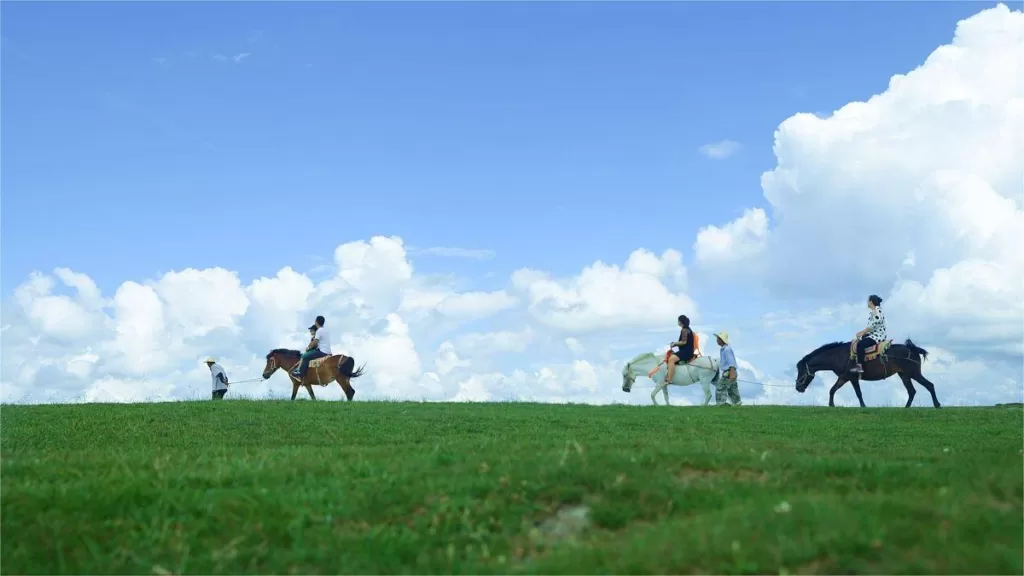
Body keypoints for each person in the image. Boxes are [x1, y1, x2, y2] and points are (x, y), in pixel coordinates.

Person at [851, 294, 887, 373]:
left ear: (871, 302)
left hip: (877, 336)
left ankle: (860, 366)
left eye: (868, 301)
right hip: (874, 334)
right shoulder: (875, 311)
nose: (867, 302)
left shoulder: (876, 310)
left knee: (860, 344)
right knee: (862, 339)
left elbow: (875, 322)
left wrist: (862, 332)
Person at [714, 331, 741, 406]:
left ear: (722, 340)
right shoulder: (723, 349)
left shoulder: (726, 350)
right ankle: (737, 402)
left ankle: (721, 402)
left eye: (718, 339)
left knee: (720, 386)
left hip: (729, 371)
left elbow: (731, 361)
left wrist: (732, 373)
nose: (717, 340)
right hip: (729, 371)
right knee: (732, 387)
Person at [666, 315, 696, 384]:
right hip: (687, 351)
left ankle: (669, 379)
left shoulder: (684, 330)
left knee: (671, 359)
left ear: (680, 322)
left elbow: (684, 342)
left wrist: (674, 344)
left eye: (678, 321)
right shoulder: (687, 329)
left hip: (686, 352)